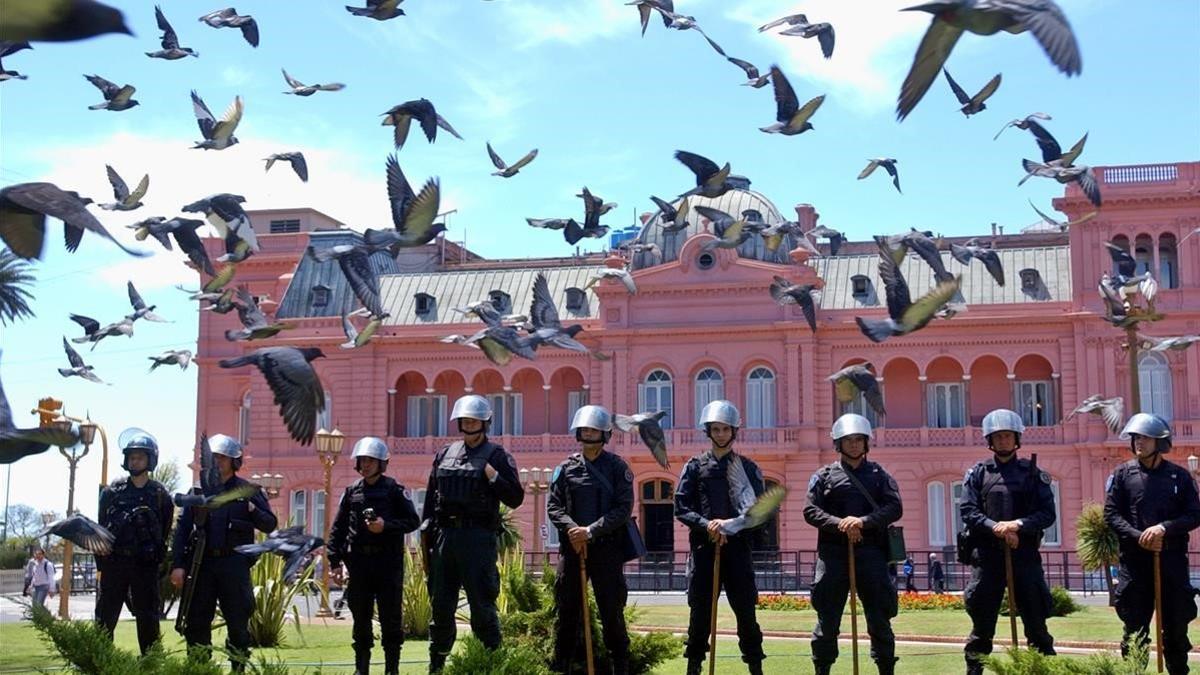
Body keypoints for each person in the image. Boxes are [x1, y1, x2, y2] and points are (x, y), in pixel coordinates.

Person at [423, 395, 524, 673]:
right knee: (441, 607)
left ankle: (491, 664)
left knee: (482, 606)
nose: (468, 424)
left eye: (473, 419)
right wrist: (428, 545)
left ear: (484, 422)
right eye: (464, 420)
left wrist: (493, 476)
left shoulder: (497, 455)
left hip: (477, 538)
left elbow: (515, 498)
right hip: (446, 538)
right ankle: (437, 665)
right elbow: (430, 503)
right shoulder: (444, 454)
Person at [804, 413, 903, 675]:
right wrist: (841, 524)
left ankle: (885, 669)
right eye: (848, 440)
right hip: (834, 554)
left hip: (871, 553)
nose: (855, 444)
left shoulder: (879, 475)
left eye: (859, 439)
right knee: (827, 619)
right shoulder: (823, 476)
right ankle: (822, 669)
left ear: (866, 442)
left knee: (880, 618)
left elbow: (895, 507)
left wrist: (862, 522)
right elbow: (810, 511)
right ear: (838, 443)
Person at [959, 409, 1057, 675]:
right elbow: (968, 511)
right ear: (990, 440)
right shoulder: (978, 474)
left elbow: (1047, 514)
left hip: (1024, 555)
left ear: (1017, 439)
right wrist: (998, 529)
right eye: (998, 436)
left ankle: (1043, 670)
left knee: (1037, 625)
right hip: (988, 558)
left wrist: (1018, 525)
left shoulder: (1033, 473)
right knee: (981, 627)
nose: (1003, 441)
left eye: (1008, 436)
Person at [170, 434, 277, 672]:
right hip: (202, 564)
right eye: (213, 457)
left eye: (222, 458)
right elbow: (183, 530)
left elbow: (270, 524)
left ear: (233, 461)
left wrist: (252, 508)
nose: (217, 462)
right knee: (196, 622)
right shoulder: (197, 489)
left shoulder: (248, 490)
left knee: (238, 622)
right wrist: (178, 565)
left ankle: (238, 668)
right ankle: (200, 668)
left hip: (234, 565)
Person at [674, 400, 766, 675]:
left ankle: (755, 666)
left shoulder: (749, 468)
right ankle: (694, 666)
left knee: (746, 613)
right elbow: (681, 507)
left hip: (738, 551)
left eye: (726, 429)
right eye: (716, 429)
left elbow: (759, 512)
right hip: (704, 550)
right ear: (709, 431)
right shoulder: (694, 467)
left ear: (734, 431)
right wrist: (708, 526)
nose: (721, 434)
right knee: (699, 613)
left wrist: (730, 526)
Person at [1104, 413, 1200, 675]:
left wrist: (1163, 529)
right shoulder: (1122, 475)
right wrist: (1140, 536)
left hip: (1171, 562)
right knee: (1134, 631)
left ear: (1160, 442)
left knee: (1176, 630)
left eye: (1145, 438)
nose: (1139, 443)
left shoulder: (1179, 477)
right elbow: (1111, 515)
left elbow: (1194, 514)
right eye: (1135, 438)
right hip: (1135, 564)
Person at [547, 405, 634, 674]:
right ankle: (562, 666)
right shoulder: (565, 468)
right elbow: (554, 506)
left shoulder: (617, 468)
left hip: (606, 550)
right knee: (567, 612)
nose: (588, 434)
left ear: (604, 434)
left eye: (593, 430)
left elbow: (623, 508)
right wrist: (574, 530)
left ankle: (620, 665)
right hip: (573, 550)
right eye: (584, 429)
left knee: (612, 613)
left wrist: (591, 531)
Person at [328, 436, 421, 675]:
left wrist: (386, 525)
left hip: (387, 564)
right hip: (359, 565)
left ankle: (392, 669)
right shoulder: (351, 493)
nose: (366, 464)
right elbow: (338, 529)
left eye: (371, 460)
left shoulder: (394, 490)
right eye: (362, 460)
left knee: (391, 618)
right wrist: (334, 561)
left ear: (382, 463)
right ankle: (361, 669)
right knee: (360, 618)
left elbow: (412, 521)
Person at [95, 428, 173, 654]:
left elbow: (165, 527)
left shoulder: (159, 493)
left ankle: (150, 663)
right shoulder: (112, 492)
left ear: (150, 460)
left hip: (144, 565)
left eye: (140, 457)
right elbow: (101, 527)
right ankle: (99, 661)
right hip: (115, 563)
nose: (135, 461)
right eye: (132, 457)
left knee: (148, 617)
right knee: (105, 616)